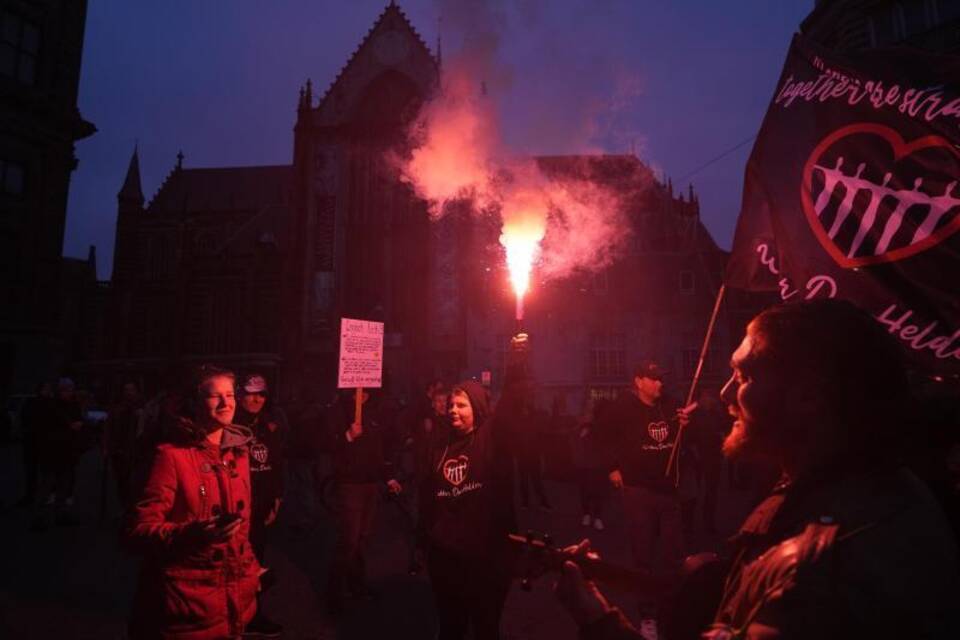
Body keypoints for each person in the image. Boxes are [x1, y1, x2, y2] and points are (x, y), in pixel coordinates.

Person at [557, 299, 960, 639]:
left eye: (745, 375)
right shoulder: (867, 489)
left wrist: (598, 620)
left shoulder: (818, 571)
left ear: (808, 396)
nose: (727, 394)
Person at [126, 365, 261, 639]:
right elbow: (138, 531)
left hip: (234, 600)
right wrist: (193, 534)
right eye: (215, 396)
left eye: (230, 394)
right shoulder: (170, 456)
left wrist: (252, 568)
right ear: (196, 402)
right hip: (189, 606)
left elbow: (242, 531)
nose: (226, 403)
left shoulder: (239, 453)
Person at [602, 361, 691, 637]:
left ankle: (675, 608)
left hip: (668, 491)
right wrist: (612, 467)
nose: (659, 384)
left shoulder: (670, 406)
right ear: (638, 381)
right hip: (638, 491)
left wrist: (685, 426)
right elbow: (601, 437)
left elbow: (679, 445)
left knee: (674, 555)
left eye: (661, 379)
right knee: (643, 556)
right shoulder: (622, 408)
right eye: (653, 379)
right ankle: (648, 616)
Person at [325, 388, 402, 613]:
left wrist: (388, 477)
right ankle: (334, 593)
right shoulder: (339, 410)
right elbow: (327, 445)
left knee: (361, 538)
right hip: (349, 484)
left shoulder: (376, 410)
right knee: (348, 539)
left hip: (370, 484)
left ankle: (356, 585)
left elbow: (377, 451)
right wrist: (348, 436)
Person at [233, 373, 286, 638]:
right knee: (235, 565)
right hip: (237, 509)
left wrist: (277, 497)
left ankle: (252, 614)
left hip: (262, 506)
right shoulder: (231, 426)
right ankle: (234, 617)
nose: (256, 399)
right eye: (250, 394)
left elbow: (276, 463)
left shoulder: (268, 425)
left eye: (261, 394)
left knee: (256, 564)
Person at [104, 381, 144, 512]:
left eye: (131, 390)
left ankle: (133, 509)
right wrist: (108, 446)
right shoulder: (117, 409)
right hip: (120, 450)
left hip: (136, 450)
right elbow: (110, 428)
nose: (129, 393)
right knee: (122, 481)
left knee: (135, 481)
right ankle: (125, 508)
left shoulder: (141, 409)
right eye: (126, 390)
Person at [17, 381, 55, 508]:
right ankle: (32, 495)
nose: (48, 391)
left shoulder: (50, 404)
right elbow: (24, 419)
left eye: (49, 389)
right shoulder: (33, 403)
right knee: (33, 471)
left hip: (43, 443)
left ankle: (40, 496)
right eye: (46, 389)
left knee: (43, 472)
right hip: (35, 442)